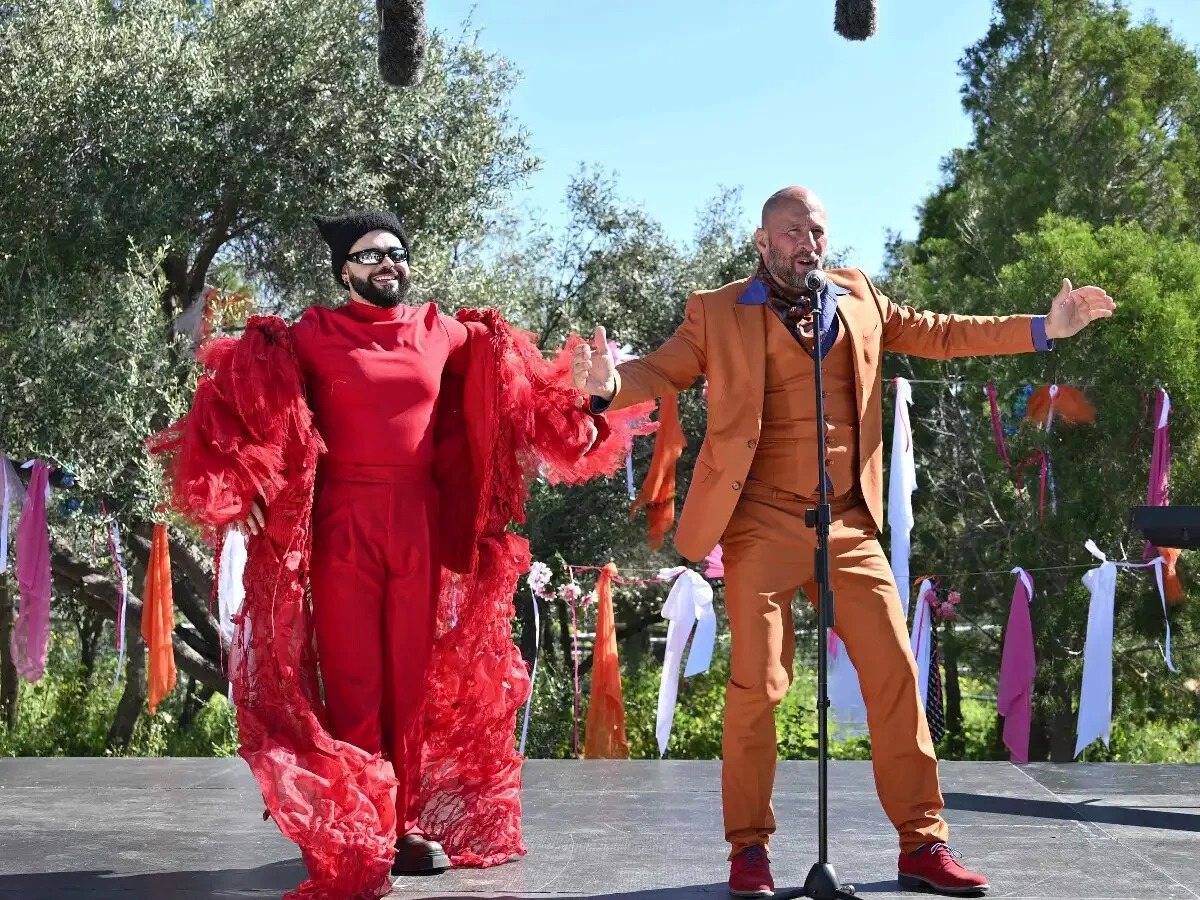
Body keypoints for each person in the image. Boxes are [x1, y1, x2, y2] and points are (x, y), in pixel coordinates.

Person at [572, 187, 1115, 898]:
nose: (808, 243)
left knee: (894, 672)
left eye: (817, 231)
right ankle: (749, 850)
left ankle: (923, 843)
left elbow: (945, 333)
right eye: (792, 231)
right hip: (759, 521)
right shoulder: (717, 310)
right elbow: (662, 369)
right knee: (759, 684)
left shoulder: (858, 295)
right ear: (762, 242)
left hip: (849, 522)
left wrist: (1045, 327)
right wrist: (609, 385)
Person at [149, 210, 650, 900]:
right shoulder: (310, 334)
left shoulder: (443, 330)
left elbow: (519, 394)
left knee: (409, 683)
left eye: (396, 251)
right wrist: (241, 480)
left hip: (417, 520)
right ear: (344, 272)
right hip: (343, 523)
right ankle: (364, 826)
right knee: (355, 677)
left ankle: (403, 823)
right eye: (370, 254)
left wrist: (589, 400)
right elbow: (236, 398)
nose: (388, 261)